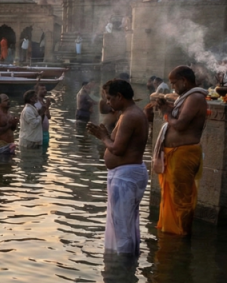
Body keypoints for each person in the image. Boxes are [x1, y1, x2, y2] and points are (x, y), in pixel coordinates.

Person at [87, 80, 149, 254]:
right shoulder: (128, 113)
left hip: (126, 177)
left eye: (109, 98)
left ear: (120, 96)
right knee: (124, 225)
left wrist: (102, 137)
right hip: (126, 174)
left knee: (122, 229)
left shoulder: (130, 115)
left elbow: (118, 149)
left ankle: (124, 267)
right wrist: (106, 136)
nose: (107, 102)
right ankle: (122, 263)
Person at [152, 66, 209, 235]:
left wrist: (166, 113)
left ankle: (181, 237)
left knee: (181, 199)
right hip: (175, 153)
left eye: (174, 83)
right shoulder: (185, 98)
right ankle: (171, 235)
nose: (172, 87)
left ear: (184, 81)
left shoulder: (195, 97)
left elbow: (181, 125)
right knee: (172, 196)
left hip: (183, 153)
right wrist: (168, 108)